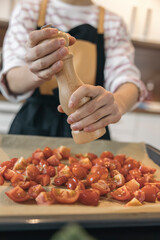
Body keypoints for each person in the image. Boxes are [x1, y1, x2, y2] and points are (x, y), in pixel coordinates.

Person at [0, 0, 147, 140]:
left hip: (91, 123)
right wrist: (36, 71)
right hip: (32, 125)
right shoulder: (28, 10)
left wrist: (118, 103)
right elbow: (11, 80)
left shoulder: (113, 23)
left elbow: (126, 78)